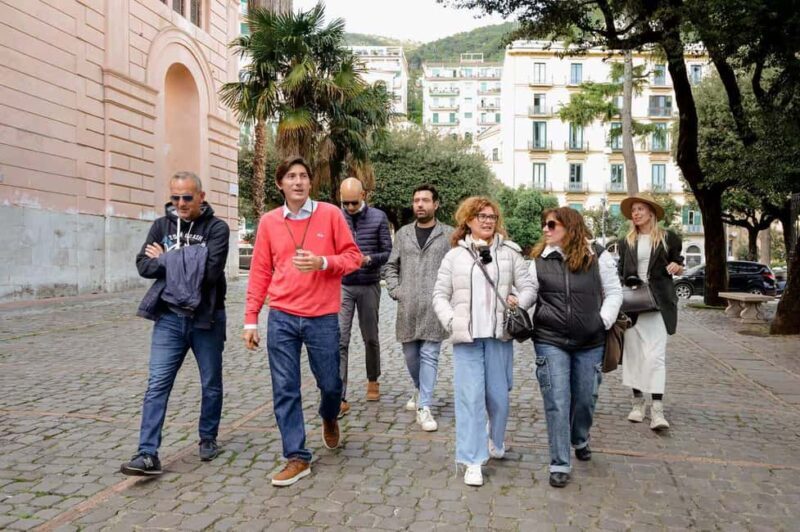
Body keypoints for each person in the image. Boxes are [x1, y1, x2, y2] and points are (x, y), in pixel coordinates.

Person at [243, 156, 361, 487]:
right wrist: (251, 318)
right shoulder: (268, 222)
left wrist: (323, 261)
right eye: (291, 176)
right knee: (284, 388)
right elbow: (260, 271)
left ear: (310, 183)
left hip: (322, 317)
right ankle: (297, 456)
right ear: (280, 184)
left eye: (303, 176)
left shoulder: (331, 214)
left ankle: (329, 413)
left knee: (331, 384)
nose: (298, 181)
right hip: (281, 315)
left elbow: (353, 258)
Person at [121, 171, 230, 476]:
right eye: (175, 197)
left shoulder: (217, 228)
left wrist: (167, 258)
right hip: (169, 317)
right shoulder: (161, 225)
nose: (180, 203)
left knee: (210, 383)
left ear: (201, 197)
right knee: (157, 384)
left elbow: (209, 273)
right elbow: (143, 266)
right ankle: (146, 453)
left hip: (206, 317)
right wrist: (188, 259)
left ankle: (208, 438)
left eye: (187, 197)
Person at [432, 197, 535, 487]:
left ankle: (495, 437)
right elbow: (439, 294)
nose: (487, 220)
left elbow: (529, 287)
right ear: (468, 220)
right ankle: (472, 460)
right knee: (470, 399)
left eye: (491, 216)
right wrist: (451, 321)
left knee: (499, 399)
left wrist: (520, 301)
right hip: (467, 339)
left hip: (499, 337)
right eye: (481, 216)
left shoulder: (510, 253)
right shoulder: (455, 256)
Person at [529, 207, 622, 488]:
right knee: (557, 401)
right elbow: (529, 292)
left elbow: (615, 293)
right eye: (544, 224)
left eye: (551, 224)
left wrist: (601, 322)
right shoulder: (538, 260)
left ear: (570, 227)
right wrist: (515, 304)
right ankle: (559, 462)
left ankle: (580, 437)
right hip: (550, 340)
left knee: (585, 398)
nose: (545, 229)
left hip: (590, 341)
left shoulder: (599, 256)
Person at [383, 184, 454, 432]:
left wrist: (450, 298)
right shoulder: (402, 234)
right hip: (408, 308)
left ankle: (424, 406)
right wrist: (396, 290)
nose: (420, 204)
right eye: (416, 200)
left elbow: (459, 268)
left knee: (430, 356)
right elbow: (391, 266)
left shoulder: (449, 235)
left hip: (435, 309)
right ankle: (419, 389)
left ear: (436, 204)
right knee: (411, 357)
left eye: (425, 200)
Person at [618, 194, 684, 430]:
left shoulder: (668, 238)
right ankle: (638, 404)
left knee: (656, 357)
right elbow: (620, 272)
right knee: (634, 355)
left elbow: (679, 264)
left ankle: (657, 410)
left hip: (657, 304)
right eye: (633, 210)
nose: (635, 213)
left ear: (651, 213)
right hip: (634, 304)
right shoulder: (626, 241)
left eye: (640, 209)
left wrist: (678, 267)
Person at [337, 178, 392, 417]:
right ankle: (339, 394)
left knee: (371, 337)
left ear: (364, 195)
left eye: (353, 202)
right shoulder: (335, 217)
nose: (349, 207)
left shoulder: (379, 217)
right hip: (343, 285)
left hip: (369, 284)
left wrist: (369, 259)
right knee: (340, 339)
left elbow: (388, 252)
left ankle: (373, 379)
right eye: (345, 202)